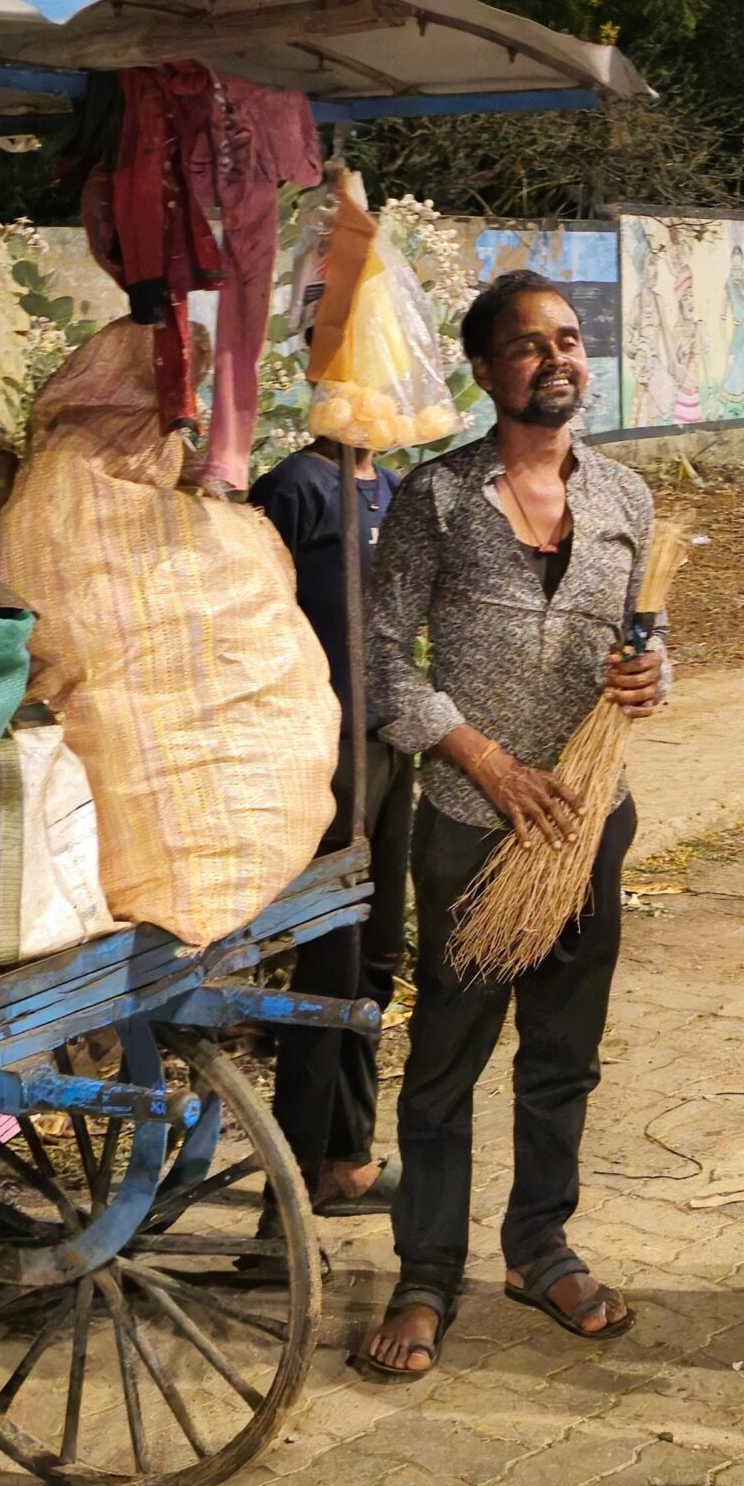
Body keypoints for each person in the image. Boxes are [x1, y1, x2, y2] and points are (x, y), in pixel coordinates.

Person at [355, 270, 666, 1379]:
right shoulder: (436, 499)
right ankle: (426, 1272)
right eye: (529, 345)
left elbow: (651, 636)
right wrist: (483, 759)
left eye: (568, 340)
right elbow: (381, 658)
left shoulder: (626, 497)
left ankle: (540, 1246)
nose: (556, 359)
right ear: (487, 370)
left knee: (563, 1054)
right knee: (446, 1056)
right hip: (469, 822)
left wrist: (651, 676)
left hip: (584, 822)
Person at [249, 435, 416, 1217]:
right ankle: (293, 1175)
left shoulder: (394, 487)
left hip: (390, 742)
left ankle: (348, 1155)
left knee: (377, 958)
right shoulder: (294, 488)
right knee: (331, 965)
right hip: (325, 751)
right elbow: (256, 620)